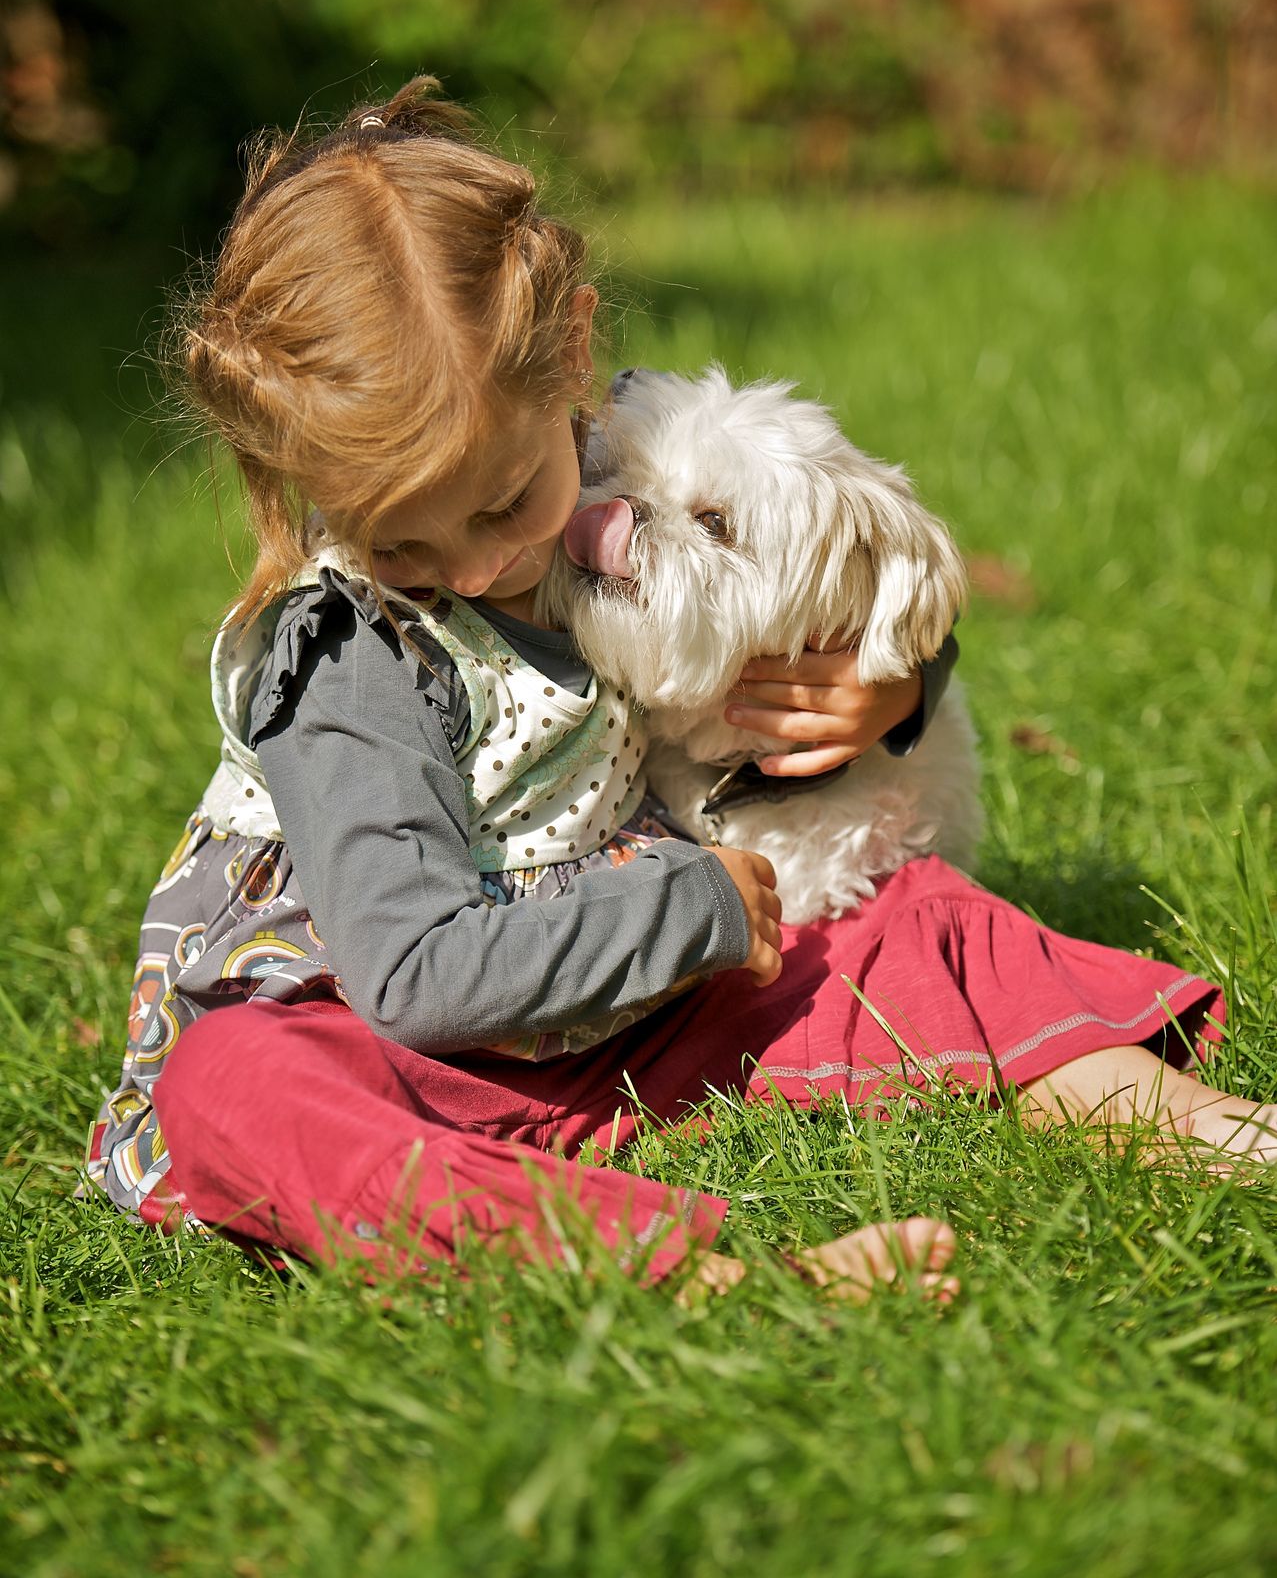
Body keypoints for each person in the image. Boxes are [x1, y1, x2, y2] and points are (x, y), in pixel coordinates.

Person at [84, 77, 1270, 1299]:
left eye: (504, 506)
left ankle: (1156, 1110)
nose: (483, 567)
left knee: (916, 915)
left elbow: (802, 563)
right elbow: (416, 977)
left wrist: (896, 686)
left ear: (574, 367)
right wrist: (692, 908)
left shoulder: (603, 482)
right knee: (231, 1083)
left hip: (623, 1018)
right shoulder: (352, 658)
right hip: (408, 1052)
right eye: (405, 544)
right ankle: (687, 1270)